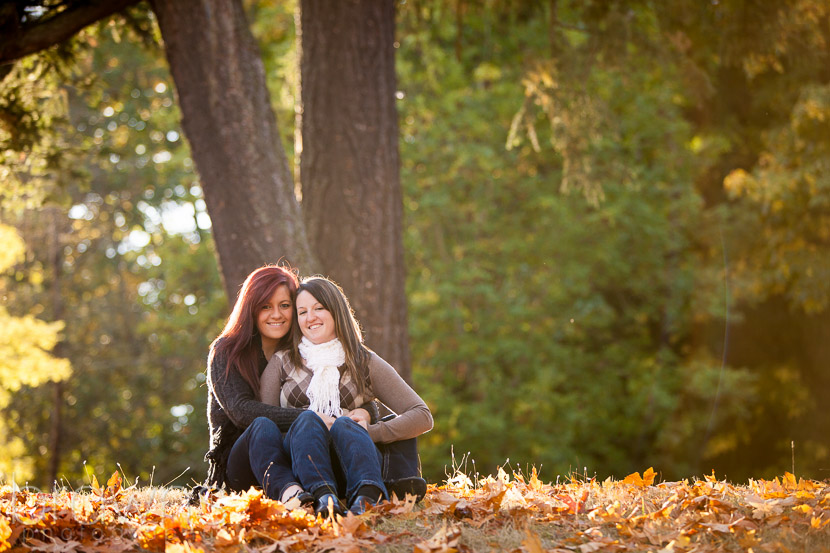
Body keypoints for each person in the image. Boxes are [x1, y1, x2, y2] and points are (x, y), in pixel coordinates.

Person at [198, 265, 377, 505]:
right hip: (246, 462)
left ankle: (357, 490)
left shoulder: (307, 351)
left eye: (284, 306)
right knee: (262, 426)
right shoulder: (228, 352)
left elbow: (351, 396)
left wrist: (367, 411)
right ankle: (290, 494)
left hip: (297, 455)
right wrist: (309, 417)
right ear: (251, 309)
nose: (276, 314)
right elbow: (241, 411)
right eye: (265, 306)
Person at [260, 276, 433, 516]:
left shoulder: (362, 360)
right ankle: (323, 499)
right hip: (304, 463)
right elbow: (265, 425)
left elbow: (422, 415)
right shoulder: (283, 361)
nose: (310, 317)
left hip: (352, 462)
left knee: (344, 425)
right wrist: (313, 420)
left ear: (336, 310)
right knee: (309, 420)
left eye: (319, 308)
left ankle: (367, 496)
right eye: (302, 312)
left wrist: (370, 432)